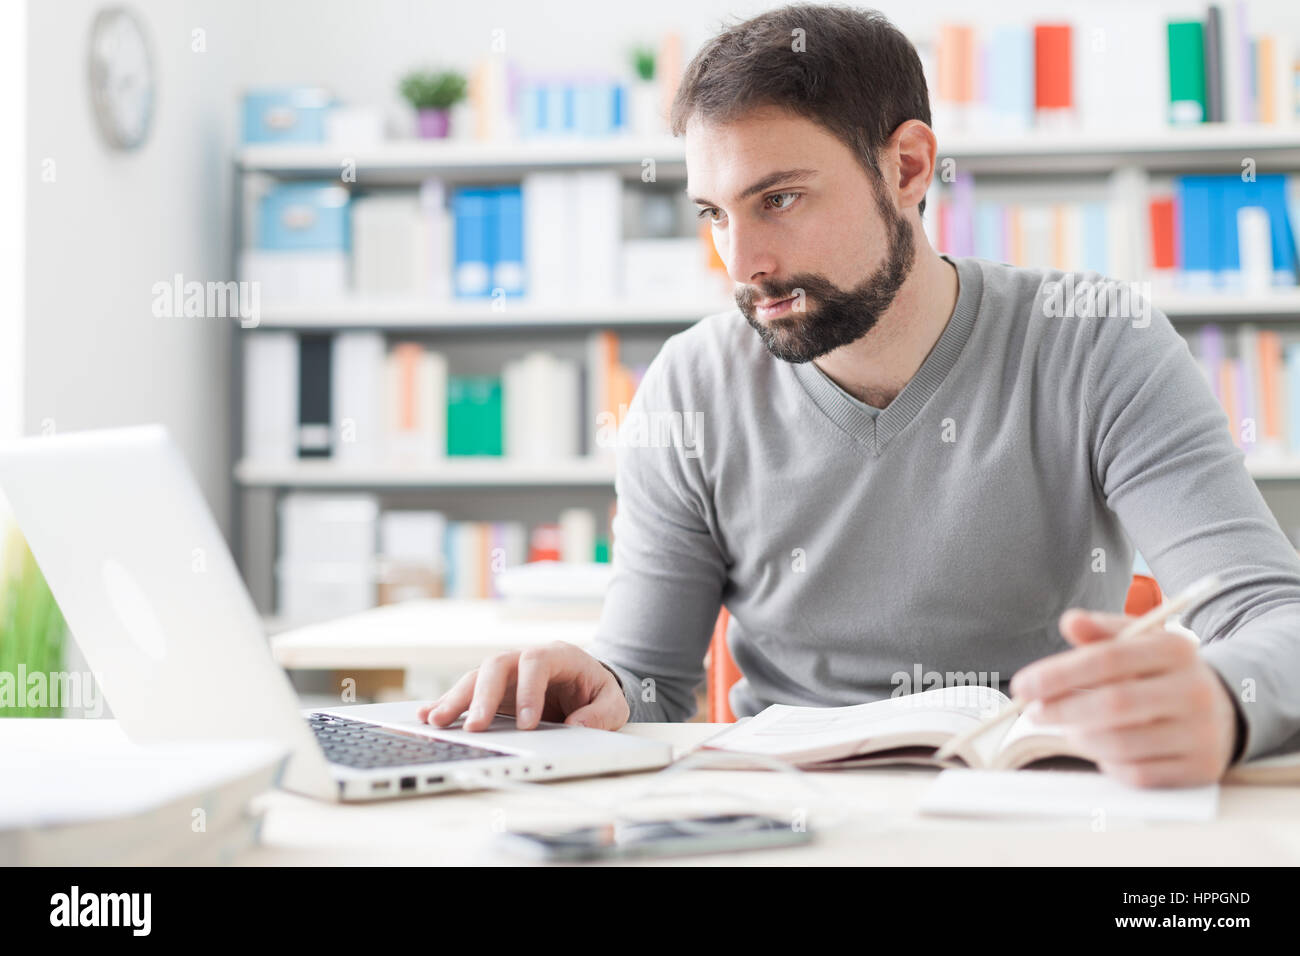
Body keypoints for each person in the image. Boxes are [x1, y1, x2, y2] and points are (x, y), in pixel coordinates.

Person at [419, 4, 1300, 788]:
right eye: (714, 213)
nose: (743, 262)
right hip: (783, 814)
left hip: (1040, 801)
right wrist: (598, 686)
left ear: (909, 166)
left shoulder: (1096, 340)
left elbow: (1272, 614)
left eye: (781, 198)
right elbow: (651, 681)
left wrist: (1223, 700)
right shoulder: (690, 384)